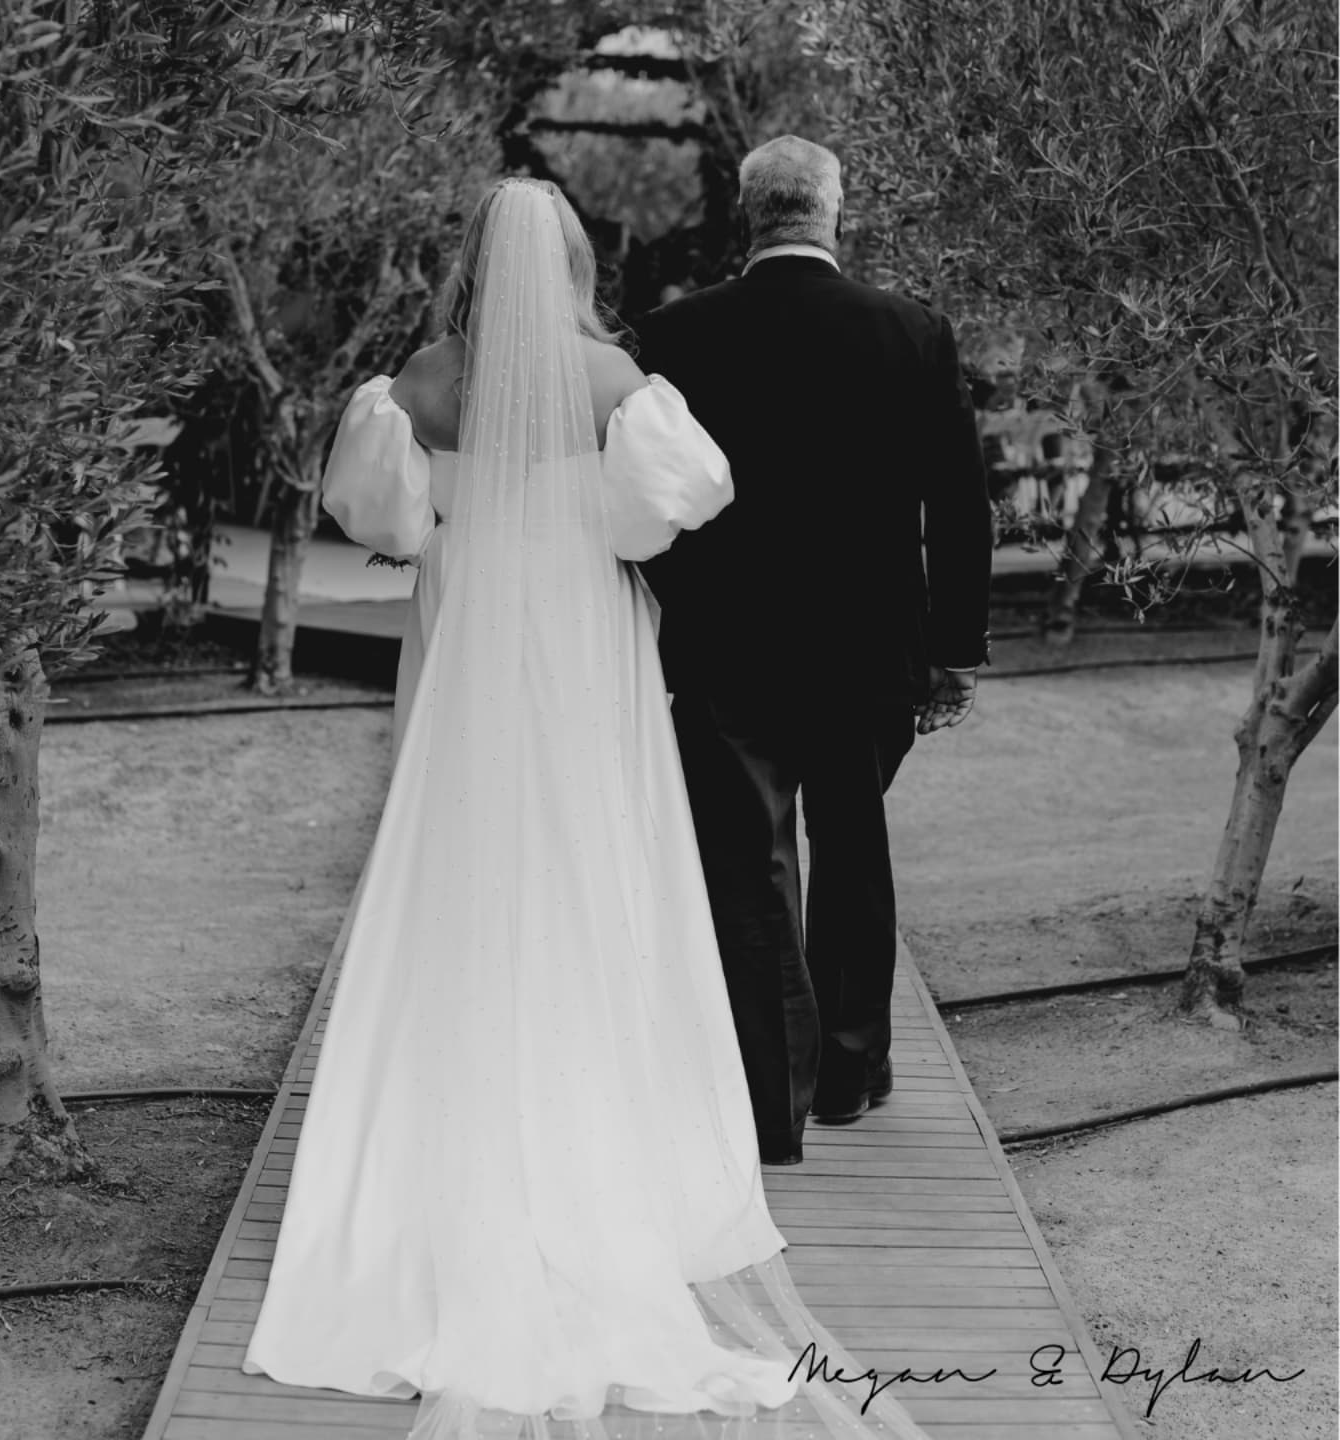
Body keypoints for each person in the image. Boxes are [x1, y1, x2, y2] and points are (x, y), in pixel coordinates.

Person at [240, 178, 930, 1440]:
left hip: (465, 646)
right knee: (592, 867)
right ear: (567, 265)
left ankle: (447, 1142)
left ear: (473, 264)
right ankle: (597, 1131)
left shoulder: (421, 382)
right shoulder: (617, 381)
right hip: (581, 643)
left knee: (464, 870)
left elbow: (382, 521)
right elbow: (665, 512)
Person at [635, 136, 992, 1166]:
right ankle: (849, 1066)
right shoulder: (911, 332)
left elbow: (650, 506)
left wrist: (667, 616)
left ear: (747, 215)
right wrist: (955, 645)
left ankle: (766, 1091)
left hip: (725, 648)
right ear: (834, 213)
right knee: (853, 839)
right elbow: (959, 507)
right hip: (870, 647)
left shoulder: (674, 334)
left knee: (751, 865)